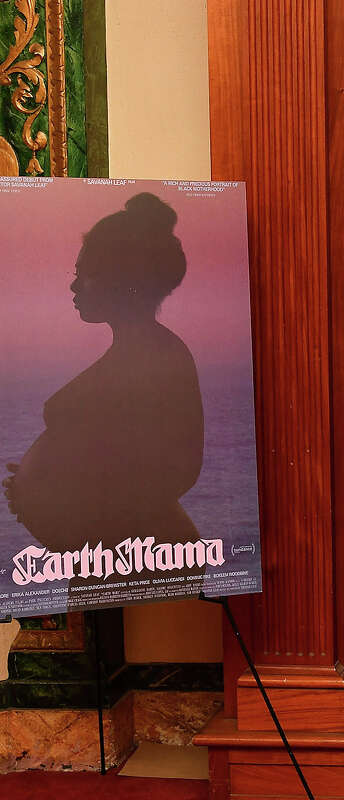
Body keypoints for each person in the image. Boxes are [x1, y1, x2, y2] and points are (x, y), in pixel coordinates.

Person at [3, 193, 204, 600]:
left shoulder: (159, 357)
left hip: (143, 562)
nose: (74, 284)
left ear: (121, 277)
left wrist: (59, 492)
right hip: (114, 564)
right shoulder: (139, 352)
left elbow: (175, 470)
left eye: (86, 273)